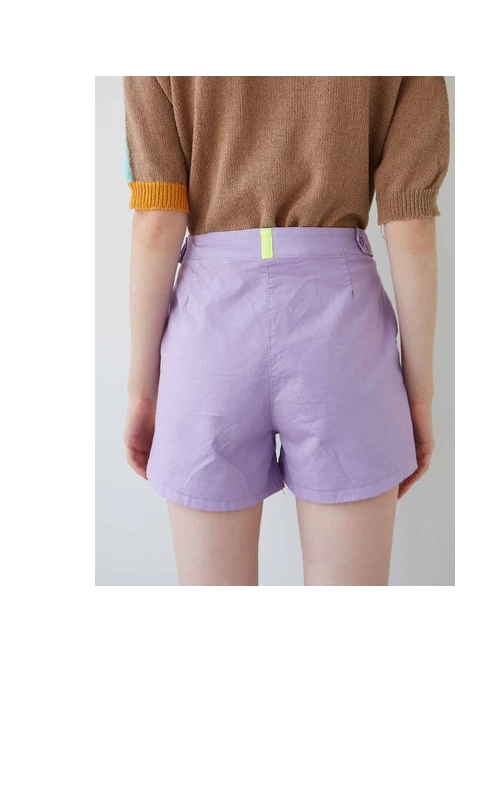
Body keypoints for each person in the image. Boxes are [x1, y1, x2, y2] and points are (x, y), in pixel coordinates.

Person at [123, 77, 449, 586]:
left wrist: (143, 392)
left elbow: (156, 221)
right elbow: (412, 228)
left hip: (211, 331)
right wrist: (419, 395)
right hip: (342, 330)